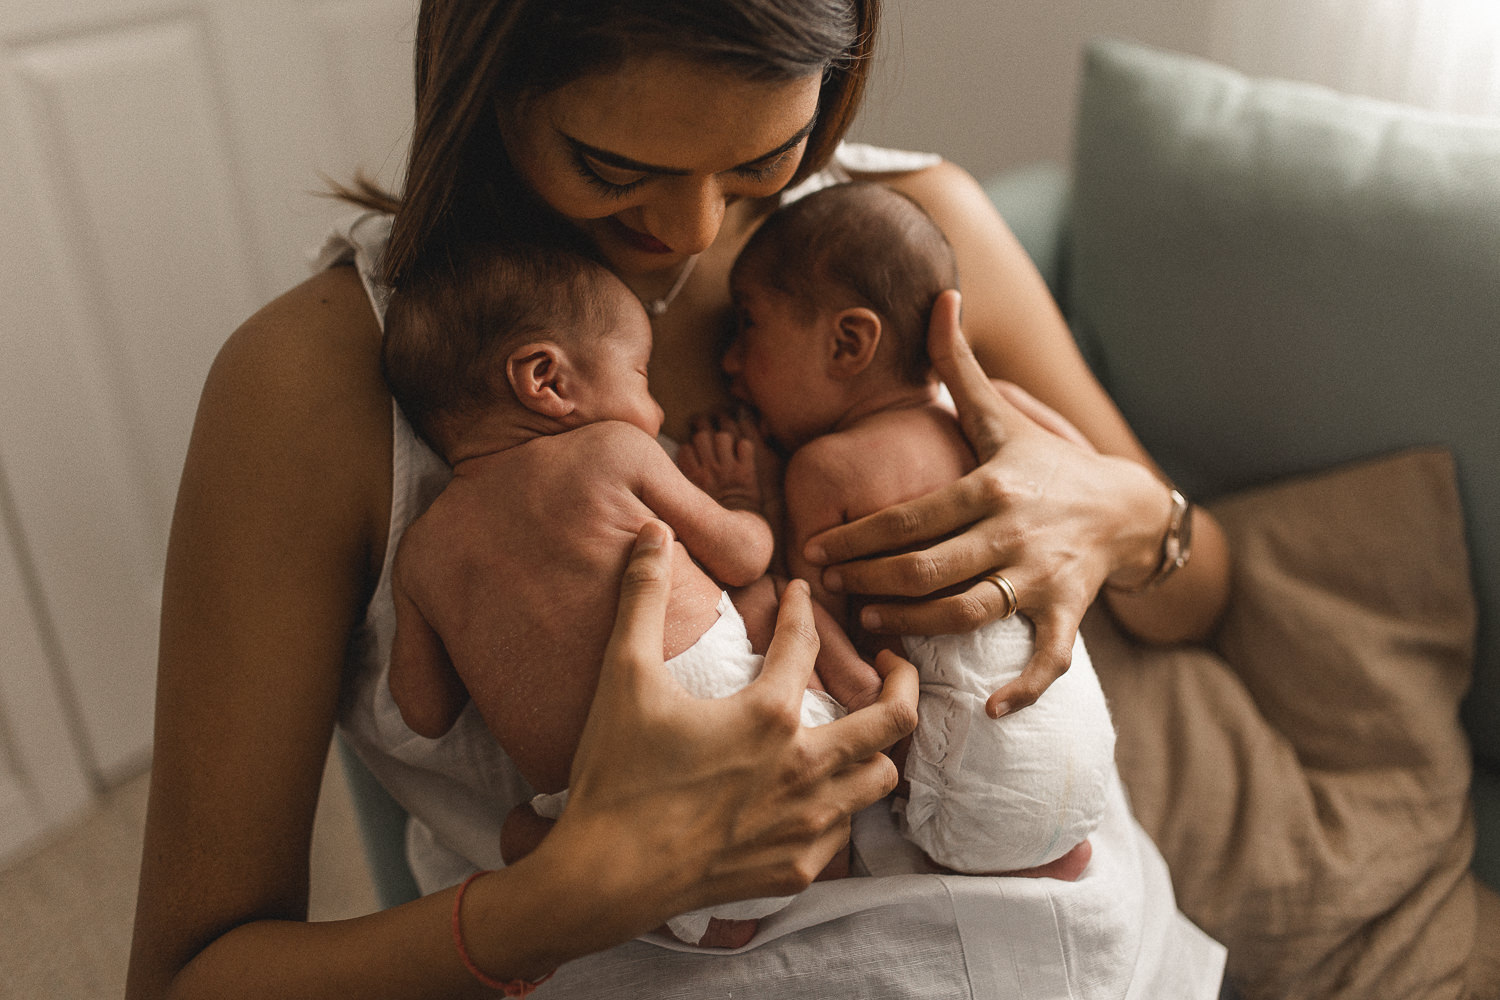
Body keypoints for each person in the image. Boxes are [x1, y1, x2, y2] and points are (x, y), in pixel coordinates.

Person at [127, 1, 1231, 997]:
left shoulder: (907, 240)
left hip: (1092, 949)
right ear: (488, 76)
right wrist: (552, 904)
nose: (699, 231)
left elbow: (1200, 588)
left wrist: (1128, 518)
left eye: (767, 155)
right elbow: (187, 975)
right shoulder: (310, 390)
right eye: (613, 167)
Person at [380, 239, 861, 946]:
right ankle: (850, 755)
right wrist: (738, 499)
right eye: (640, 374)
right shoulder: (612, 452)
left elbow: (423, 713)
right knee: (766, 594)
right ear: (547, 380)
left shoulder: (420, 553)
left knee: (516, 832)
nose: (657, 411)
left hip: (607, 824)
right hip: (747, 741)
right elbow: (738, 553)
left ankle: (710, 928)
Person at [712, 180, 1117, 877]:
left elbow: (818, 632)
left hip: (956, 776)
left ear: (848, 342)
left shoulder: (823, 469)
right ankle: (1049, 852)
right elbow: (1089, 487)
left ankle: (984, 848)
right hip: (1086, 753)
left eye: (747, 324)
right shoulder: (1002, 411)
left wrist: (750, 501)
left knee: (821, 648)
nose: (728, 362)